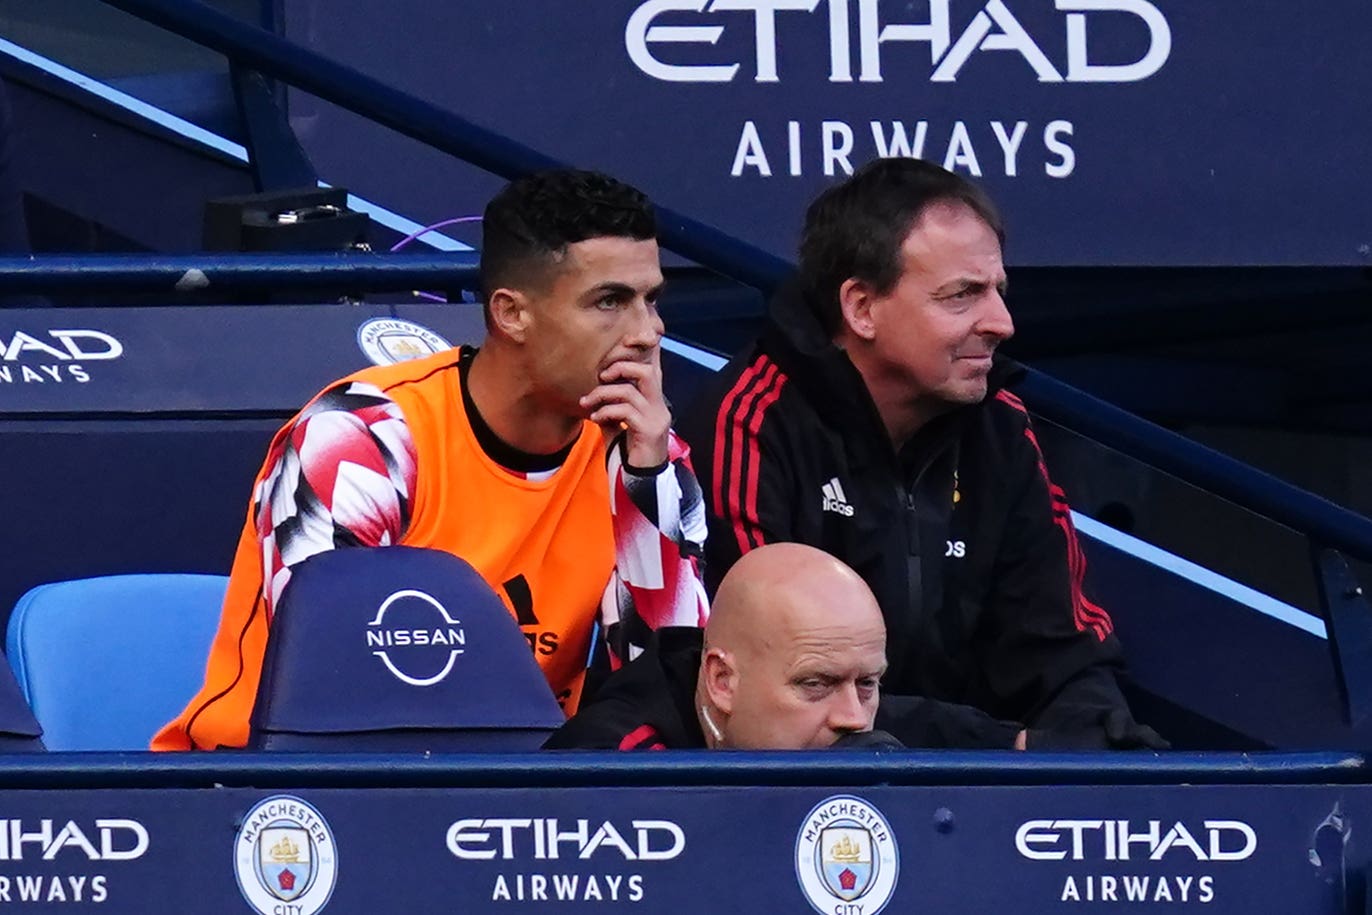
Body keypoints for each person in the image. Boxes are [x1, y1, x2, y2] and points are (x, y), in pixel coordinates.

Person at [155, 169, 709, 750]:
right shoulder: (361, 438)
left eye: (652, 300)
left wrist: (647, 481)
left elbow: (665, 692)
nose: (648, 333)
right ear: (512, 314)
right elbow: (336, 688)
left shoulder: (644, 450)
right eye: (610, 302)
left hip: (514, 796)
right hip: (271, 794)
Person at [680, 158, 1162, 751]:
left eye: (997, 293)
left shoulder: (1000, 425)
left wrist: (1093, 732)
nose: (1002, 323)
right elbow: (778, 689)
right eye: (962, 295)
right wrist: (1007, 745)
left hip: (975, 787)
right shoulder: (749, 421)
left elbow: (1061, 647)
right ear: (860, 307)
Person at [546, 542, 902, 750]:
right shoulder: (612, 774)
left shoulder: (851, 723)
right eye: (815, 684)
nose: (855, 718)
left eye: (867, 683)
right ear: (722, 681)